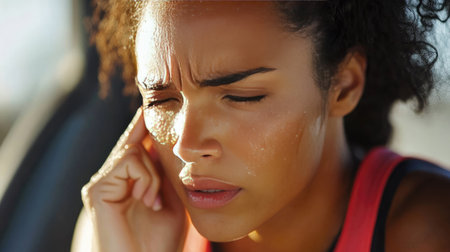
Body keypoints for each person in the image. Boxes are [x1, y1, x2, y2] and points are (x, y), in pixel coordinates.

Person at [74, 1, 450, 251]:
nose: (186, 146)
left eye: (242, 96)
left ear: (344, 85)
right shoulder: (118, 224)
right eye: (160, 100)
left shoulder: (428, 229)